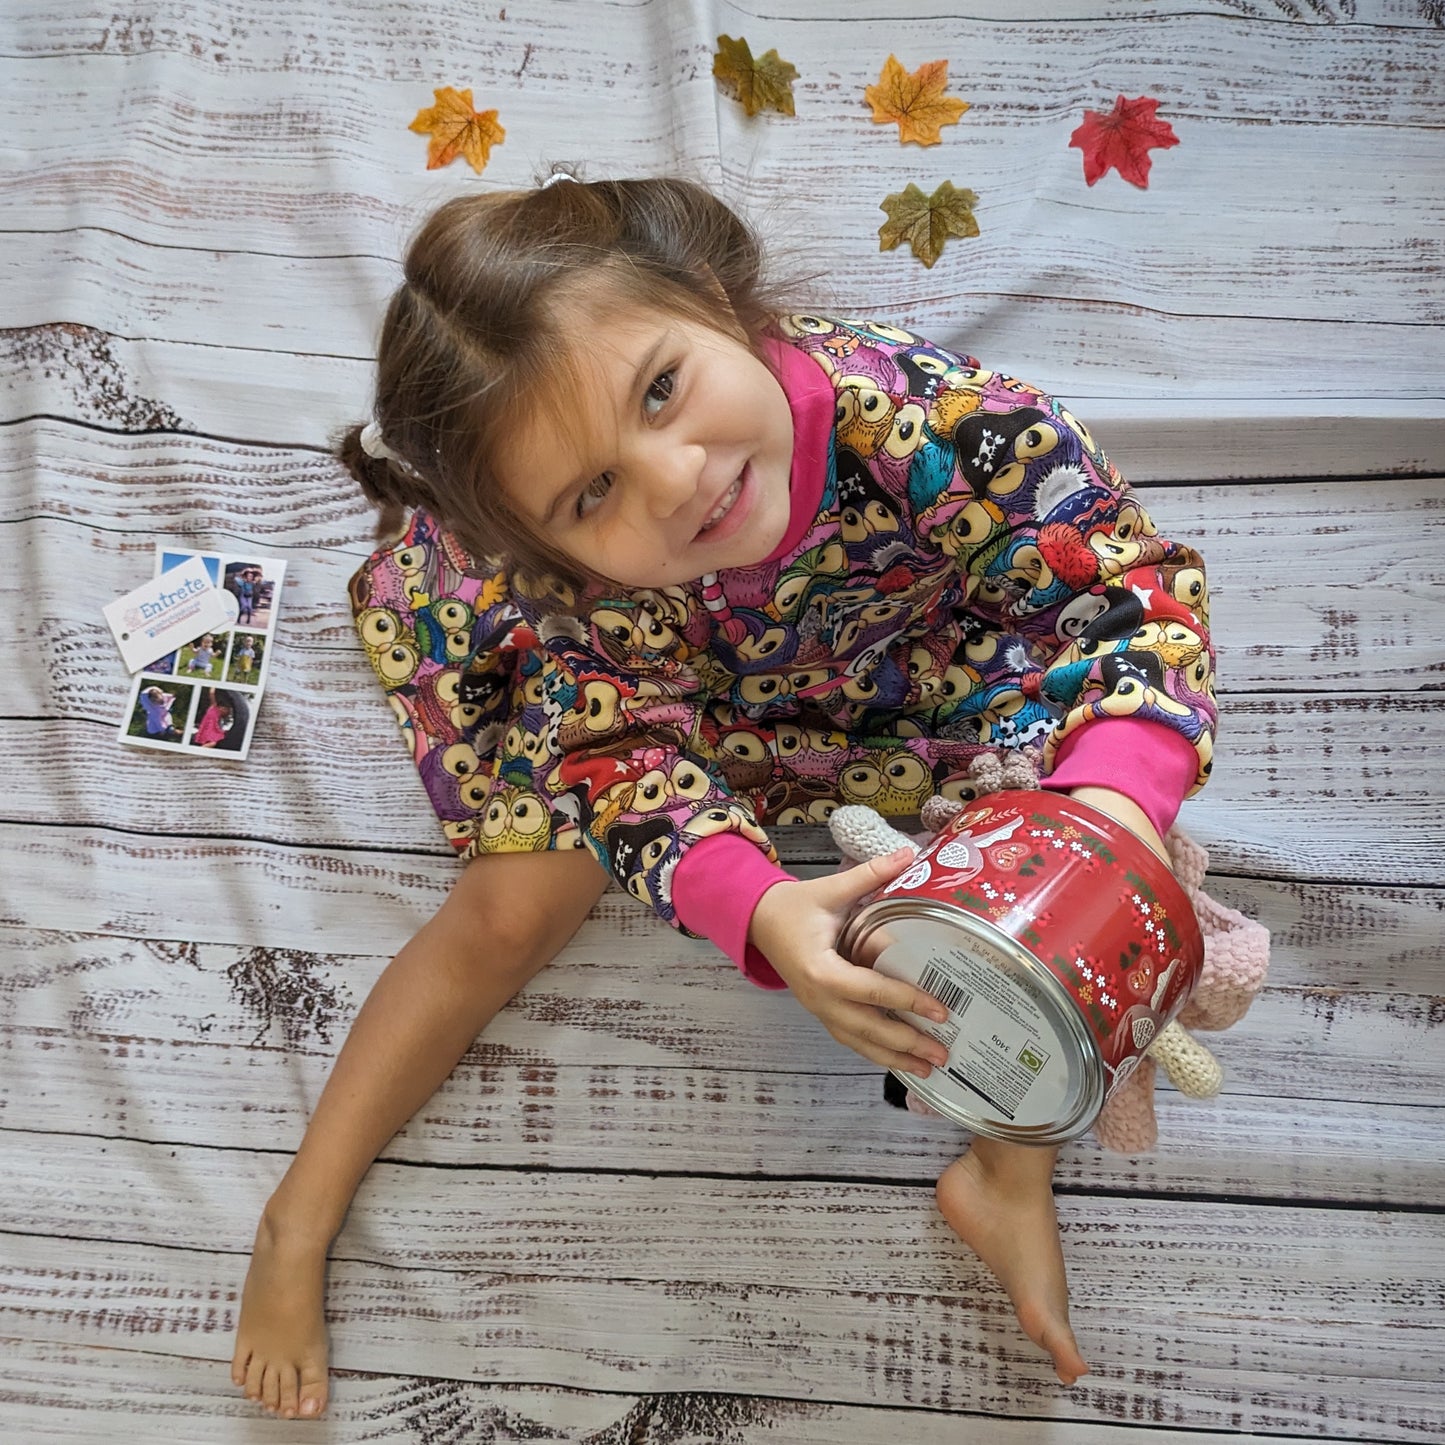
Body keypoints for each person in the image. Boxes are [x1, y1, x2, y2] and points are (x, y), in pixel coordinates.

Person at [232, 172, 1216, 1420]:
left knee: (1057, 903)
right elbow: (619, 761)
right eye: (590, 492)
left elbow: (1129, 591)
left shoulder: (937, 424)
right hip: (674, 689)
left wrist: (1106, 813)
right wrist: (762, 909)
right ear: (548, 545)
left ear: (711, 298)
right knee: (504, 915)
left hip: (930, 680)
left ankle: (1004, 1168)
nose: (672, 479)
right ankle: (296, 1213)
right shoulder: (579, 584)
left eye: (661, 388)